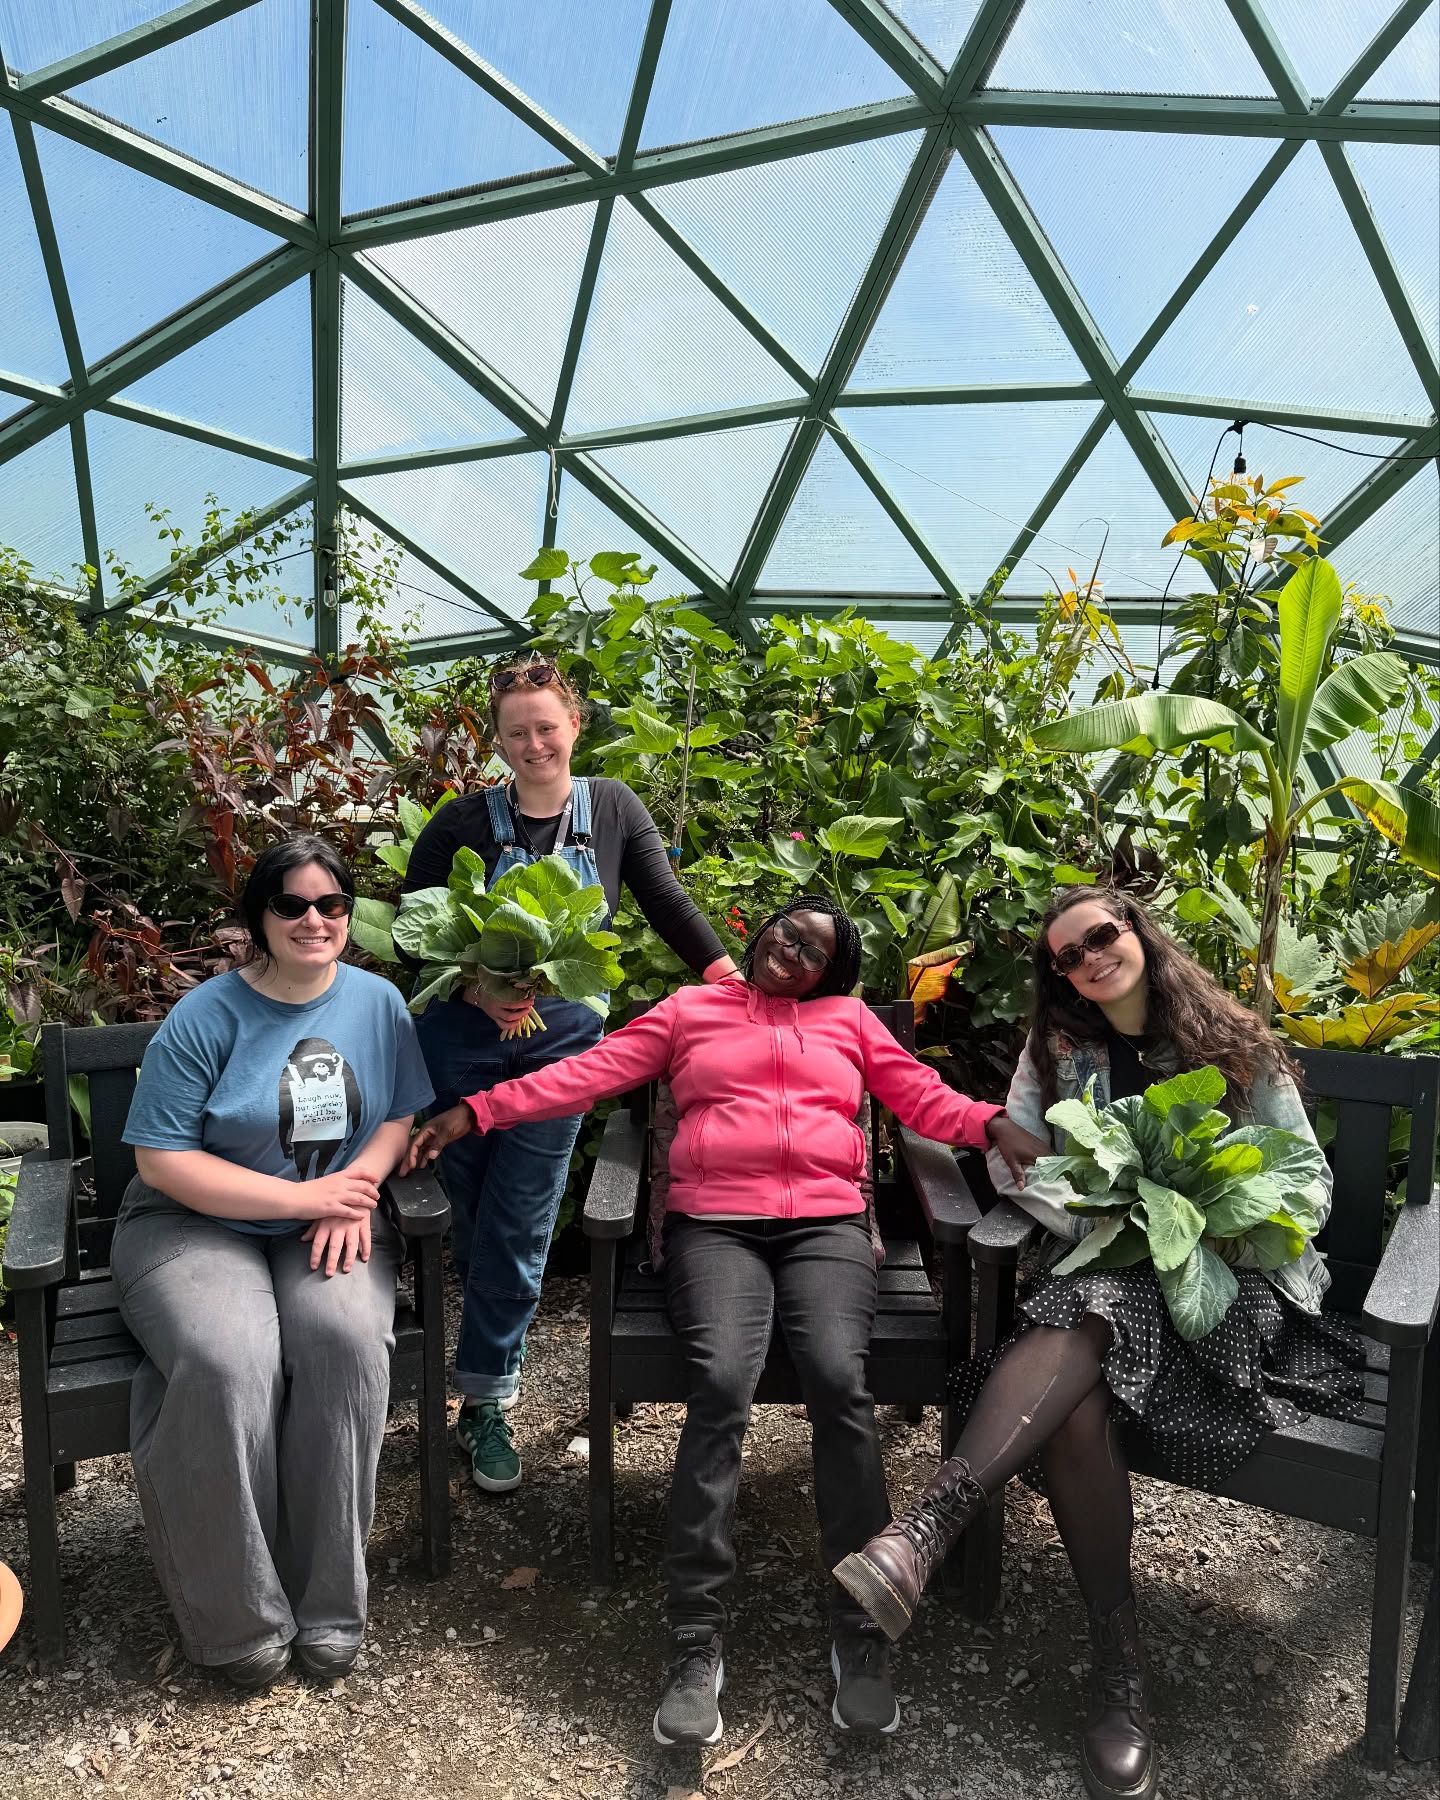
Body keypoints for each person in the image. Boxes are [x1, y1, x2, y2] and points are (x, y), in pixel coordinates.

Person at [400, 894, 1049, 1746]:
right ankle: (695, 1638)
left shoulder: (850, 1021)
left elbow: (919, 1095)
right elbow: (584, 1076)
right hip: (715, 1226)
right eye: (785, 929)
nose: (791, 948)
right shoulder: (690, 1009)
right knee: (720, 1386)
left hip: (825, 1225)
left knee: (838, 1382)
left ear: (831, 970)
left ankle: (859, 1629)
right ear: (758, 932)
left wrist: (992, 1122)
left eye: (814, 948)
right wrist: (476, 1109)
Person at [835, 887, 1365, 1800]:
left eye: (1101, 937)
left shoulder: (1233, 1046)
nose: (1088, 959)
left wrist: (1206, 1222)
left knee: (1087, 1324)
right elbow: (1020, 1162)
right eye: (1067, 956)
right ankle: (1118, 1671)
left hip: (1221, 1293)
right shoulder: (1058, 1052)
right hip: (1107, 1279)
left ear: (1139, 936)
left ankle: (929, 1530)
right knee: (1081, 1389)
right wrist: (1098, 1205)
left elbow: (1307, 1182)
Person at [402, 654, 736, 1495]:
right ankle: (481, 1372)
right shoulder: (458, 825)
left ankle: (485, 1400)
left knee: (521, 1222)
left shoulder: (614, 809)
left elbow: (664, 901)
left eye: (547, 727)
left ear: (574, 726)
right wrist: (479, 985)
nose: (534, 743)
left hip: (560, 1055)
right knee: (474, 1221)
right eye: (516, 732)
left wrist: (731, 977)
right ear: (498, 739)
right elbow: (413, 929)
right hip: (463, 1047)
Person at [113, 836, 433, 1689]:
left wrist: (355, 1188)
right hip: (194, 1222)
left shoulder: (377, 1003)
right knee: (226, 1359)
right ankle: (235, 1619)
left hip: (328, 1220)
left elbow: (399, 1117)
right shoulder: (207, 1015)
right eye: (290, 904)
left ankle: (327, 1604)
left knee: (346, 1342)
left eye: (330, 904)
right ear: (259, 916)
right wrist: (306, 1201)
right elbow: (161, 1159)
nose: (313, 920)